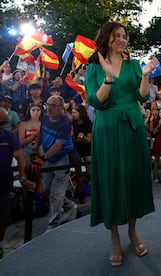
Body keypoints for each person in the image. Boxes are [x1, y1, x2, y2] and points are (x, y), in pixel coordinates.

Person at [85, 21, 157, 266]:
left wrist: (145, 75)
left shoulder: (133, 64)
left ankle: (133, 232)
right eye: (117, 35)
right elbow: (97, 102)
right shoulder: (93, 68)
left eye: (124, 36)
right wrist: (107, 77)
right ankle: (114, 236)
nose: (122, 39)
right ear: (106, 38)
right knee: (112, 179)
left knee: (133, 178)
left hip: (133, 127)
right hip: (107, 127)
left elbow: (142, 96)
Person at [33, 95, 78, 230]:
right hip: (48, 157)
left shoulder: (65, 122)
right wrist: (36, 149)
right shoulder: (46, 118)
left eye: (53, 106)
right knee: (47, 189)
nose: (49, 108)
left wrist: (42, 158)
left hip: (61, 159)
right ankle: (71, 207)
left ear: (60, 108)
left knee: (56, 193)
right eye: (48, 104)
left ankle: (53, 225)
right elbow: (41, 133)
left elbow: (58, 145)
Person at [0, 107, 36, 259]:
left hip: (4, 185)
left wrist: (22, 178)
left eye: (5, 122)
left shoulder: (9, 136)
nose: (3, 125)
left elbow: (21, 158)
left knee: (2, 220)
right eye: (0, 122)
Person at [71, 104, 92, 204]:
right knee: (78, 170)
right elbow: (73, 139)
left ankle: (87, 183)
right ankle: (80, 192)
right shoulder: (72, 124)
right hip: (77, 149)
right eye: (73, 112)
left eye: (75, 112)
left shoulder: (88, 123)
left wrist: (83, 137)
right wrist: (75, 138)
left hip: (87, 148)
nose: (73, 114)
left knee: (89, 171)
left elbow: (89, 140)